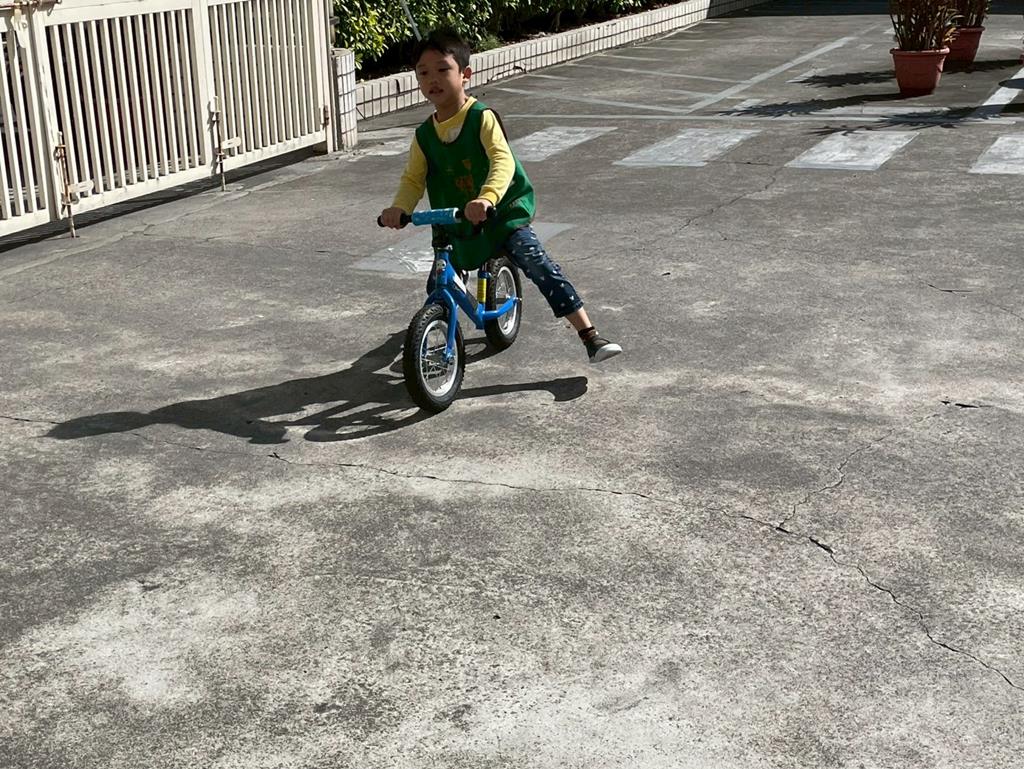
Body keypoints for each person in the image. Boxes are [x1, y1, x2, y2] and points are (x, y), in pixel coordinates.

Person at [379, 29, 622, 364]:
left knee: (538, 264)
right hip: (455, 220)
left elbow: (502, 160)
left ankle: (589, 335)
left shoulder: (481, 118)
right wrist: (398, 208)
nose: (432, 79)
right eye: (423, 73)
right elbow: (412, 179)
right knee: (437, 284)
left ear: (465, 74)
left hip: (501, 212)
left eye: (443, 69)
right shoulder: (424, 136)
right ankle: (442, 327)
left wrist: (488, 197)